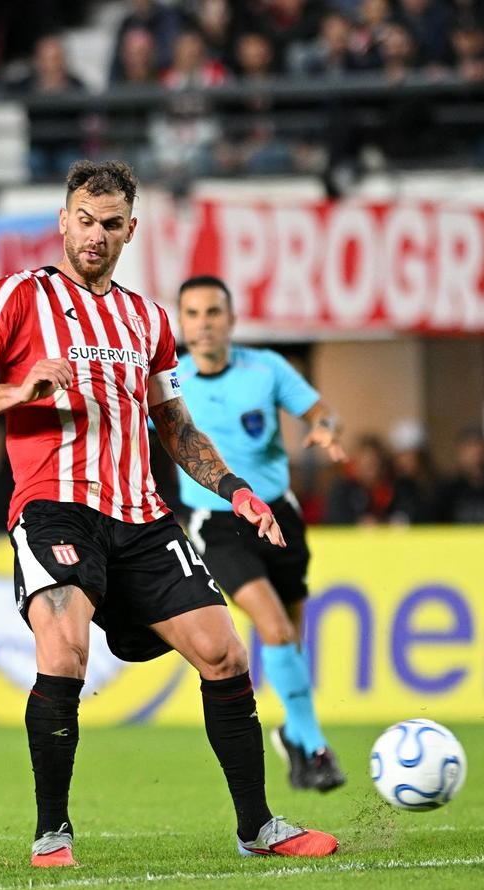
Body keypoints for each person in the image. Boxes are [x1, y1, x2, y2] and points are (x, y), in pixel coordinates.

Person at [0, 160, 337, 868]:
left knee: (225, 653)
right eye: (83, 220)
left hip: (142, 518)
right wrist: (22, 389)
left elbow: (173, 424)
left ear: (131, 230)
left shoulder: (147, 319)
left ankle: (258, 827)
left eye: (110, 224)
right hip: (55, 509)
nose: (95, 235)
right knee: (63, 653)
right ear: (63, 221)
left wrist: (235, 488)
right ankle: (52, 832)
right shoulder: (20, 297)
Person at [174, 275, 348, 792]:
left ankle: (295, 737)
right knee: (274, 628)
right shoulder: (171, 381)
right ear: (181, 324)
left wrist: (326, 429)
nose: (203, 325)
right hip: (219, 523)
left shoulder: (265, 368)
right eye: (193, 315)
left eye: (213, 313)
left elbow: (321, 413)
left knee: (291, 635)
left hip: (282, 516)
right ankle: (316, 748)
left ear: (231, 319)